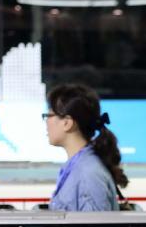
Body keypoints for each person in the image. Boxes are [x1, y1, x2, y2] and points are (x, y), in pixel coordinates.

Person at [45, 83, 127, 211]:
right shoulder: (81, 167)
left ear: (67, 123)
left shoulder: (87, 174)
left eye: (48, 115)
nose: (46, 122)